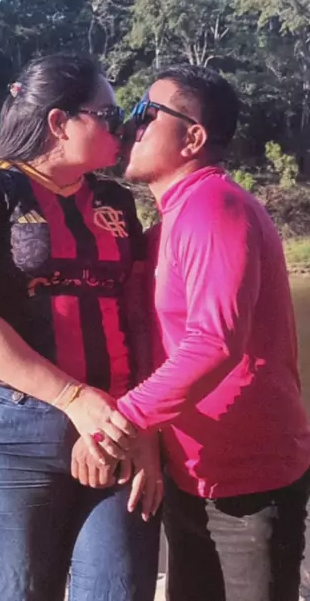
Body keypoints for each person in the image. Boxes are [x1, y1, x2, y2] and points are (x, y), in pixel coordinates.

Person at [0, 53, 162, 601]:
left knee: (120, 586)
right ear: (59, 122)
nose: (123, 127)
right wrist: (72, 398)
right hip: (8, 433)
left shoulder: (114, 201)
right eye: (108, 115)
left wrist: (147, 432)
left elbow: (137, 316)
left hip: (115, 424)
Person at [105, 63, 310, 601]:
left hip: (249, 483)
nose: (132, 126)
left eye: (146, 113)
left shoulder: (213, 207)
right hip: (191, 473)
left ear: (193, 138)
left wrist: (118, 422)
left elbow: (215, 342)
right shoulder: (170, 223)